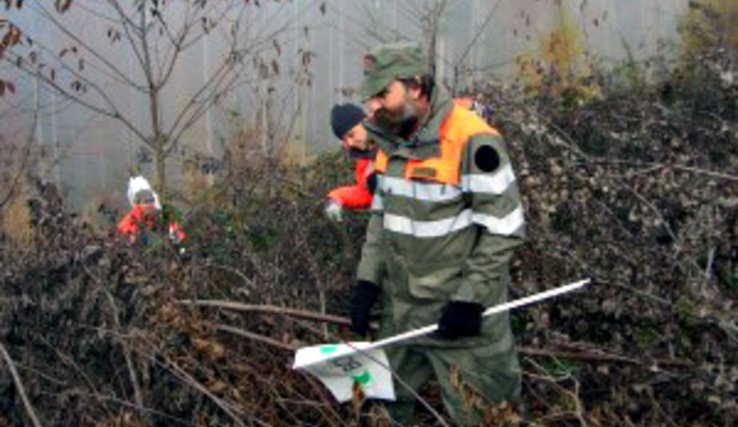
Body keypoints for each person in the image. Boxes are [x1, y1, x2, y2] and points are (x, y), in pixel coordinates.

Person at [349, 41, 526, 425]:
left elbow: (505, 229)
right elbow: (381, 217)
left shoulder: (472, 140)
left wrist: (469, 300)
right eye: (371, 97)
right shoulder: (387, 138)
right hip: (404, 314)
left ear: (416, 87)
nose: (373, 107)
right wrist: (367, 282)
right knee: (377, 413)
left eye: (382, 95)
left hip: (462, 322)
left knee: (484, 417)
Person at [324, 103, 377, 222]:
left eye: (352, 135)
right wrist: (337, 197)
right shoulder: (365, 160)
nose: (351, 143)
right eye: (345, 140)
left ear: (365, 121)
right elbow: (368, 194)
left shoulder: (393, 144)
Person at [117, 176, 186, 247]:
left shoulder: (161, 216)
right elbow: (120, 237)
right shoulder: (130, 221)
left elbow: (178, 233)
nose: (149, 205)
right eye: (146, 202)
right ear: (138, 204)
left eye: (151, 201)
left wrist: (176, 236)